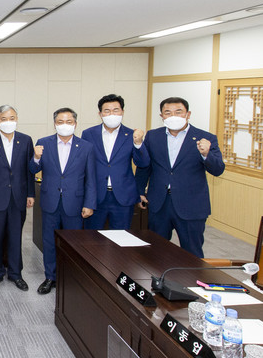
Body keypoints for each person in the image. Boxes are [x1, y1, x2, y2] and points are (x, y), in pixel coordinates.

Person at [135, 97, 225, 258]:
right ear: (161, 116)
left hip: (191, 204)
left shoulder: (205, 137)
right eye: (167, 113)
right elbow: (145, 166)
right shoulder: (153, 136)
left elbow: (218, 170)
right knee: (155, 250)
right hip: (159, 202)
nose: (173, 116)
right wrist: (140, 191)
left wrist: (206, 154)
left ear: (188, 114)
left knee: (192, 253)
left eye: (178, 112)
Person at [30, 107, 96, 294]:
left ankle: (71, 278)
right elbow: (32, 170)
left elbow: (91, 178)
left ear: (75, 124)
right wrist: (36, 157)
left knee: (73, 243)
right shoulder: (43, 143)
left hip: (75, 203)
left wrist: (89, 204)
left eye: (69, 122)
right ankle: (50, 277)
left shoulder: (86, 147)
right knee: (49, 242)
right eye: (60, 122)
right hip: (50, 201)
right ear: (54, 124)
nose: (64, 125)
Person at [0, 105, 35, 291]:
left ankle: (15, 274)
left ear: (17, 119)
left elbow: (29, 169)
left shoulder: (26, 140)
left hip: (18, 197)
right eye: (4, 119)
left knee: (15, 237)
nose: (8, 122)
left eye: (12, 118)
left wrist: (30, 193)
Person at [81, 94, 149, 230]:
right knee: (91, 237)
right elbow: (84, 164)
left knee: (120, 237)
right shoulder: (88, 134)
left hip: (123, 197)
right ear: (100, 114)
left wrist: (138, 143)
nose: (111, 114)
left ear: (122, 112)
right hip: (96, 196)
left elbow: (143, 163)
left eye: (115, 110)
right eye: (107, 111)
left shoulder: (132, 134)